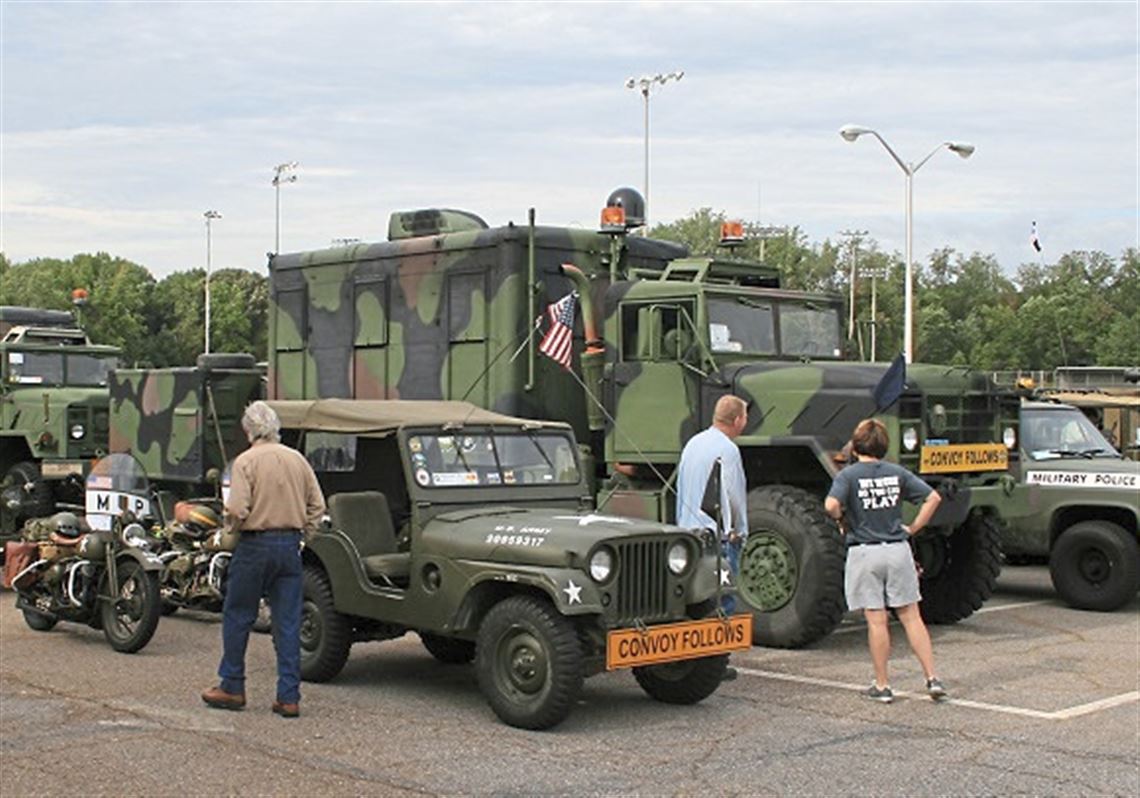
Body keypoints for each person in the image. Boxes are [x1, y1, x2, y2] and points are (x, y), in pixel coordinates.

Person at [201, 401, 325, 718]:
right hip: (289, 547)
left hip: (255, 546)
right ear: (276, 427)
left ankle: (232, 686)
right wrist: (303, 536)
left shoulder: (246, 462)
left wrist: (231, 528)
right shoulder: (297, 460)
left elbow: (237, 509)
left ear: (248, 430)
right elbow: (317, 506)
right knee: (287, 621)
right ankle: (288, 697)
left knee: (238, 614)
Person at [825, 418, 947, 704]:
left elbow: (831, 505)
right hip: (897, 549)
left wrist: (840, 517)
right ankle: (932, 678)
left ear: (856, 446)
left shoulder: (849, 475)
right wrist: (914, 527)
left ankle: (882, 684)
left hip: (865, 551)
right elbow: (933, 498)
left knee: (877, 620)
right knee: (911, 617)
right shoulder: (897, 472)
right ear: (884, 445)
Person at [676, 395, 749, 681]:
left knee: (696, 600)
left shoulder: (694, 443)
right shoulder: (727, 450)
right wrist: (740, 530)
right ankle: (716, 663)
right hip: (716, 535)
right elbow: (732, 494)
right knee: (723, 600)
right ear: (738, 420)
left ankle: (694, 657)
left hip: (688, 531)